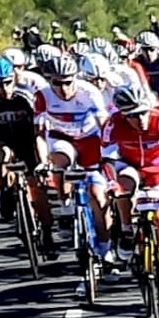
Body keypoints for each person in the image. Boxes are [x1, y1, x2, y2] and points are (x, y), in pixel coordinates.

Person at [99, 81, 159, 295]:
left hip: (157, 170)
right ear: (124, 114)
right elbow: (107, 160)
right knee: (124, 183)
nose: (142, 120)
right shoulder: (113, 124)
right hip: (129, 166)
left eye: (144, 113)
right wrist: (112, 183)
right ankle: (127, 229)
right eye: (134, 115)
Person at [32, 51, 114, 262]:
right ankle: (65, 204)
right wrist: (43, 163)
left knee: (97, 194)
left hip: (89, 137)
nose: (63, 89)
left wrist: (108, 156)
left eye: (68, 83)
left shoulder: (89, 91)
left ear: (75, 78)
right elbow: (40, 134)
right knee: (59, 161)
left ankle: (106, 247)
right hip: (61, 137)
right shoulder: (42, 95)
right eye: (57, 84)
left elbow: (103, 126)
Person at [0, 57, 48, 229]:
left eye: (8, 82)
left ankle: (46, 228)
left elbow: (40, 128)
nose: (5, 89)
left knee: (35, 184)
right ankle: (4, 190)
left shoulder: (25, 96)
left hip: (26, 138)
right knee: (1, 156)